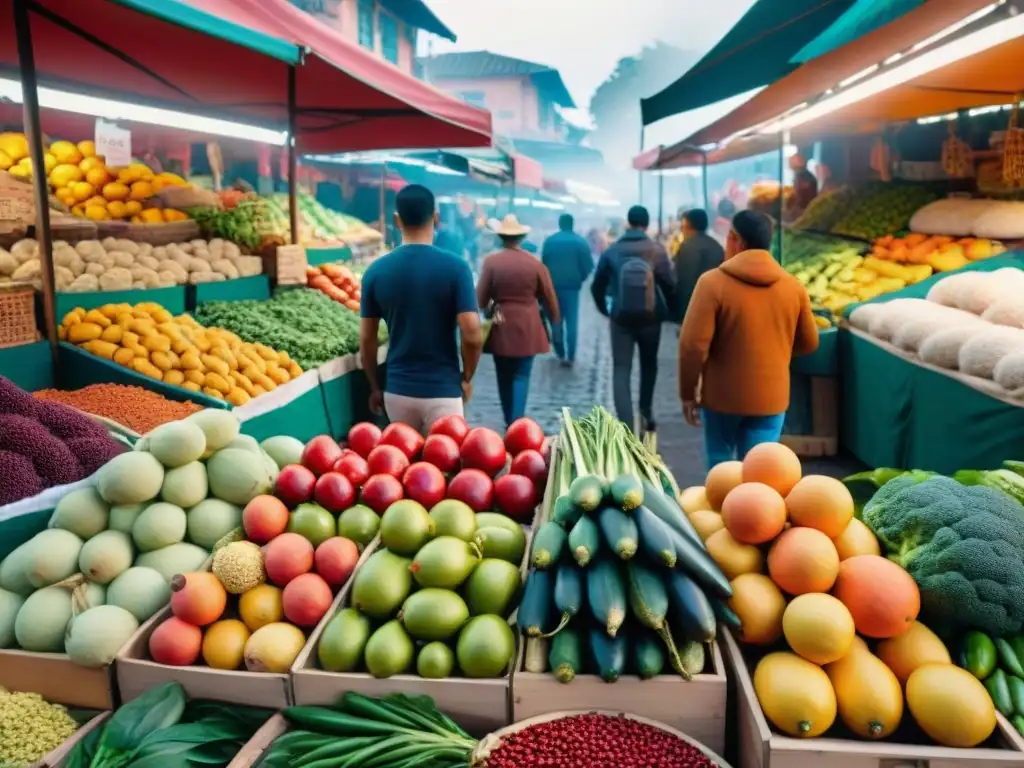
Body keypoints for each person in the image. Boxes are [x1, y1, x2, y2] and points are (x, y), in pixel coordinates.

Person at [678, 209, 819, 468]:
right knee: (759, 473)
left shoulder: (712, 283)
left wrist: (688, 393)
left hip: (721, 396)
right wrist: (774, 350)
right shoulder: (792, 286)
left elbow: (692, 346)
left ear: (735, 239)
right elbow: (809, 343)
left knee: (721, 467)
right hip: (771, 397)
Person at [359, 185, 483, 435]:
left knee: (403, 468)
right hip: (444, 392)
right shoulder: (456, 269)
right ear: (436, 218)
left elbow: (367, 339)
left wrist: (375, 386)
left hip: (397, 392)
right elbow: (471, 333)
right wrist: (467, 377)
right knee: (444, 467)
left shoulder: (375, 271)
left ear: (397, 220)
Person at [591, 205, 676, 434]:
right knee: (649, 365)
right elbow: (669, 284)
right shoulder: (656, 251)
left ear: (629, 223)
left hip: (621, 320)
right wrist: (668, 311)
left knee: (621, 369)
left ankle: (627, 427)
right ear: (646, 225)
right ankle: (646, 412)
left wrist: (605, 310)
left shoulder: (613, 251)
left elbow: (597, 285)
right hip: (651, 318)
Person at [477, 214, 560, 427]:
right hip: (529, 324)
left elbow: (480, 299)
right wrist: (555, 319)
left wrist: (489, 310)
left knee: (503, 375)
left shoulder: (491, 262)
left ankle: (509, 420)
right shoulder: (534, 263)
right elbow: (549, 296)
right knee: (521, 374)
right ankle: (516, 422)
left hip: (501, 323)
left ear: (500, 237)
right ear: (521, 237)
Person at [541, 213, 594, 367]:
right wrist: (579, 278)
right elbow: (588, 266)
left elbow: (543, 264)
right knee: (572, 321)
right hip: (572, 288)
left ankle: (560, 351)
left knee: (555, 318)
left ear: (560, 224)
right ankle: (571, 355)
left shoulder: (550, 242)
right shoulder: (580, 242)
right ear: (572, 224)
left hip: (553, 287)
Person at [674, 209, 724, 323]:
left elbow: (684, 283)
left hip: (694, 310)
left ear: (688, 226)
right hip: (716, 307)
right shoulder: (716, 246)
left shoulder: (687, 247)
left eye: (683, 227)